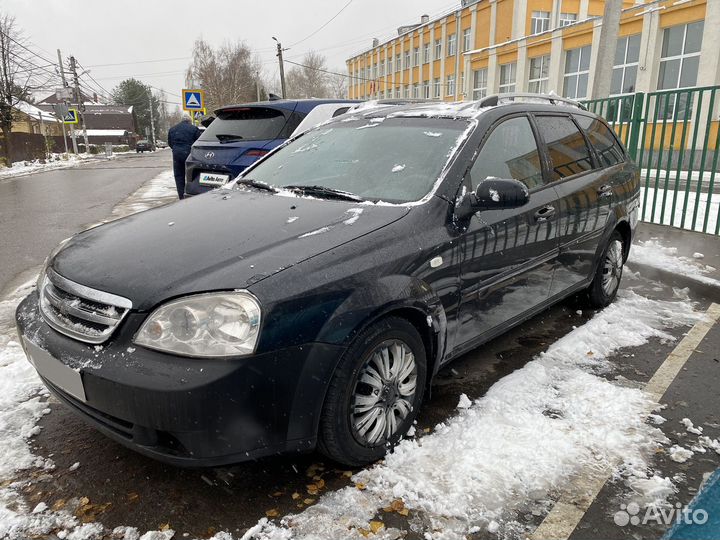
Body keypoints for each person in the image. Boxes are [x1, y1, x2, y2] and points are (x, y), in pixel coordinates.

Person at [167, 115, 201, 199]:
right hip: (189, 154)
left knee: (179, 176)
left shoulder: (172, 129)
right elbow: (198, 143)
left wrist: (177, 149)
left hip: (177, 155)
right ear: (189, 121)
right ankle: (192, 194)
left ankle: (181, 196)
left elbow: (170, 143)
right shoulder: (194, 129)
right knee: (192, 175)